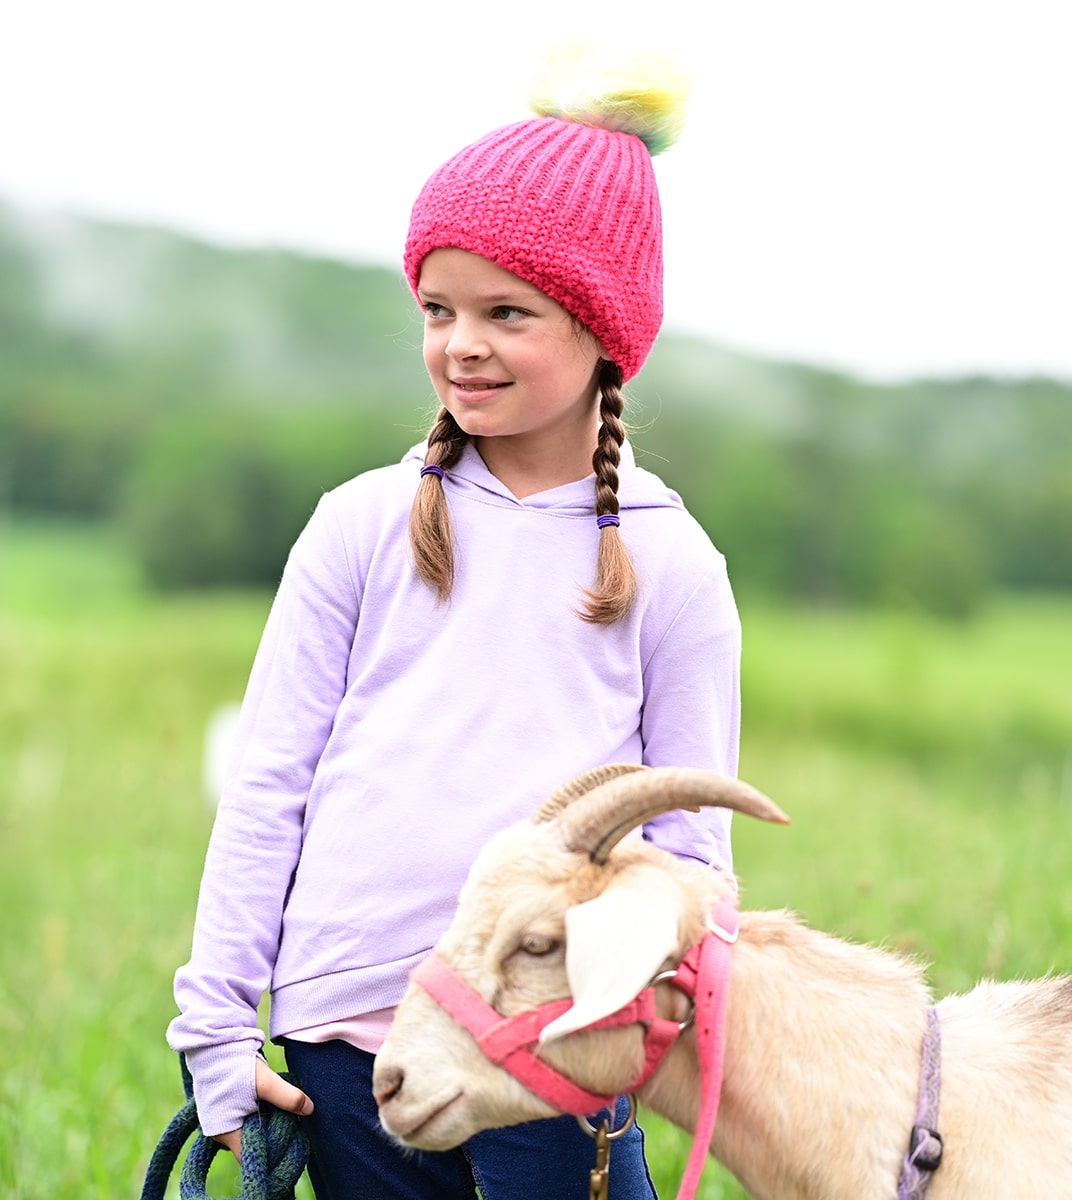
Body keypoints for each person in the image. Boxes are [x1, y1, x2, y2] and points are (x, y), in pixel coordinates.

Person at [167, 61, 742, 1200]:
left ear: (601, 331)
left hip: (546, 1056)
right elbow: (270, 782)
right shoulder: (361, 526)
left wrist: (624, 1022)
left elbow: (689, 860)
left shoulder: (674, 565)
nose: (459, 344)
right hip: (344, 1043)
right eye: (438, 309)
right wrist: (220, 1027)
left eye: (505, 313)